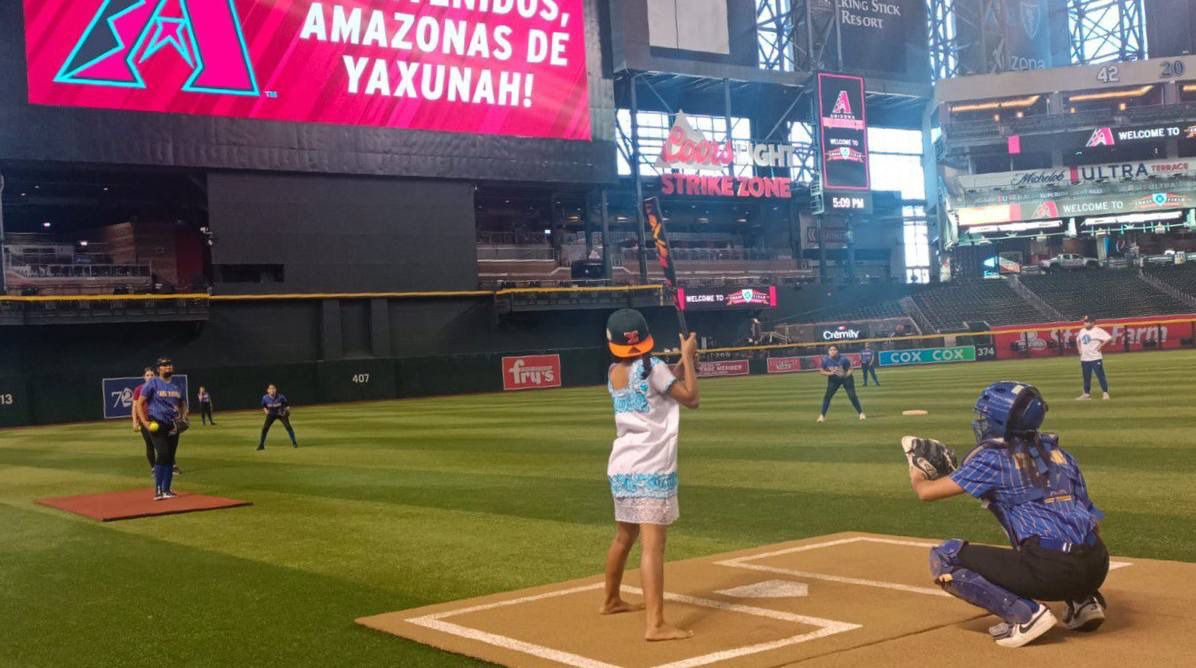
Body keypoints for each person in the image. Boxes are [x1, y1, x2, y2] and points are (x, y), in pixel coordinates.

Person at [908, 381, 1109, 648]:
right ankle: (1085, 601)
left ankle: (1026, 616)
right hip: (1098, 564)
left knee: (944, 557)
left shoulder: (993, 459)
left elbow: (926, 492)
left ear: (1000, 421)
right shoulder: (1061, 454)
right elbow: (1093, 523)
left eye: (986, 416)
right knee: (1056, 529)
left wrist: (916, 468)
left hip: (1052, 569)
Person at [600, 308, 699, 642]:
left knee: (624, 538)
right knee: (653, 546)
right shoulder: (652, 367)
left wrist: (684, 363)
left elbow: (661, 380)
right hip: (651, 466)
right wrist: (687, 357)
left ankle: (611, 599)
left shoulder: (614, 371)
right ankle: (655, 624)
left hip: (622, 467)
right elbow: (691, 398)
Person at [135, 357, 188, 500]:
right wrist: (145, 423)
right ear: (159, 369)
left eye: (170, 364)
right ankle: (158, 490)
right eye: (165, 365)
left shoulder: (177, 385)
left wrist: (183, 417)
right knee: (163, 453)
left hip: (173, 425)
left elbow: (183, 403)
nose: (168, 367)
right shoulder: (152, 383)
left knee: (170, 457)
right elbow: (139, 404)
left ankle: (167, 489)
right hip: (157, 424)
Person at [817, 345, 865, 422]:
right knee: (827, 397)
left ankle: (861, 413)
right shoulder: (825, 360)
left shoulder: (843, 359)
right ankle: (822, 416)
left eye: (834, 350)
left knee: (852, 396)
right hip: (833, 380)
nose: (832, 351)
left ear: (837, 351)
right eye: (830, 350)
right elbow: (821, 371)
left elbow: (850, 369)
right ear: (828, 351)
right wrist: (830, 373)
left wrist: (846, 375)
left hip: (846, 379)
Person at [1075, 315, 1111, 400]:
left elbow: (1108, 338)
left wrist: (1101, 346)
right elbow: (1078, 340)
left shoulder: (1098, 330)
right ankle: (1086, 394)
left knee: (1100, 375)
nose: (1085, 323)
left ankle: (1105, 393)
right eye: (1084, 322)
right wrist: (1079, 349)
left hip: (1095, 358)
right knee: (1086, 377)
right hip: (1084, 358)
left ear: (1092, 322)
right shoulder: (1082, 330)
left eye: (1087, 322)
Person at [131, 367, 157, 473]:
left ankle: (171, 465)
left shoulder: (159, 387)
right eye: (147, 375)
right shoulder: (139, 389)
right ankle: (154, 468)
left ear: (155, 376)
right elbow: (135, 406)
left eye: (151, 375)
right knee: (149, 444)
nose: (150, 377)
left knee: (163, 444)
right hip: (144, 420)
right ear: (144, 377)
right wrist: (134, 420)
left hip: (158, 419)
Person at [258, 384, 298, 450]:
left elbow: (287, 406)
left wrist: (286, 411)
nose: (272, 390)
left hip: (281, 414)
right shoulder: (265, 398)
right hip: (271, 414)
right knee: (264, 428)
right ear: (268, 390)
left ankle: (294, 442)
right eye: (270, 389)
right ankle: (261, 445)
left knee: (288, 426)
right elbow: (264, 406)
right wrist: (265, 410)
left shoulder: (281, 397)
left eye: (273, 388)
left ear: (276, 390)